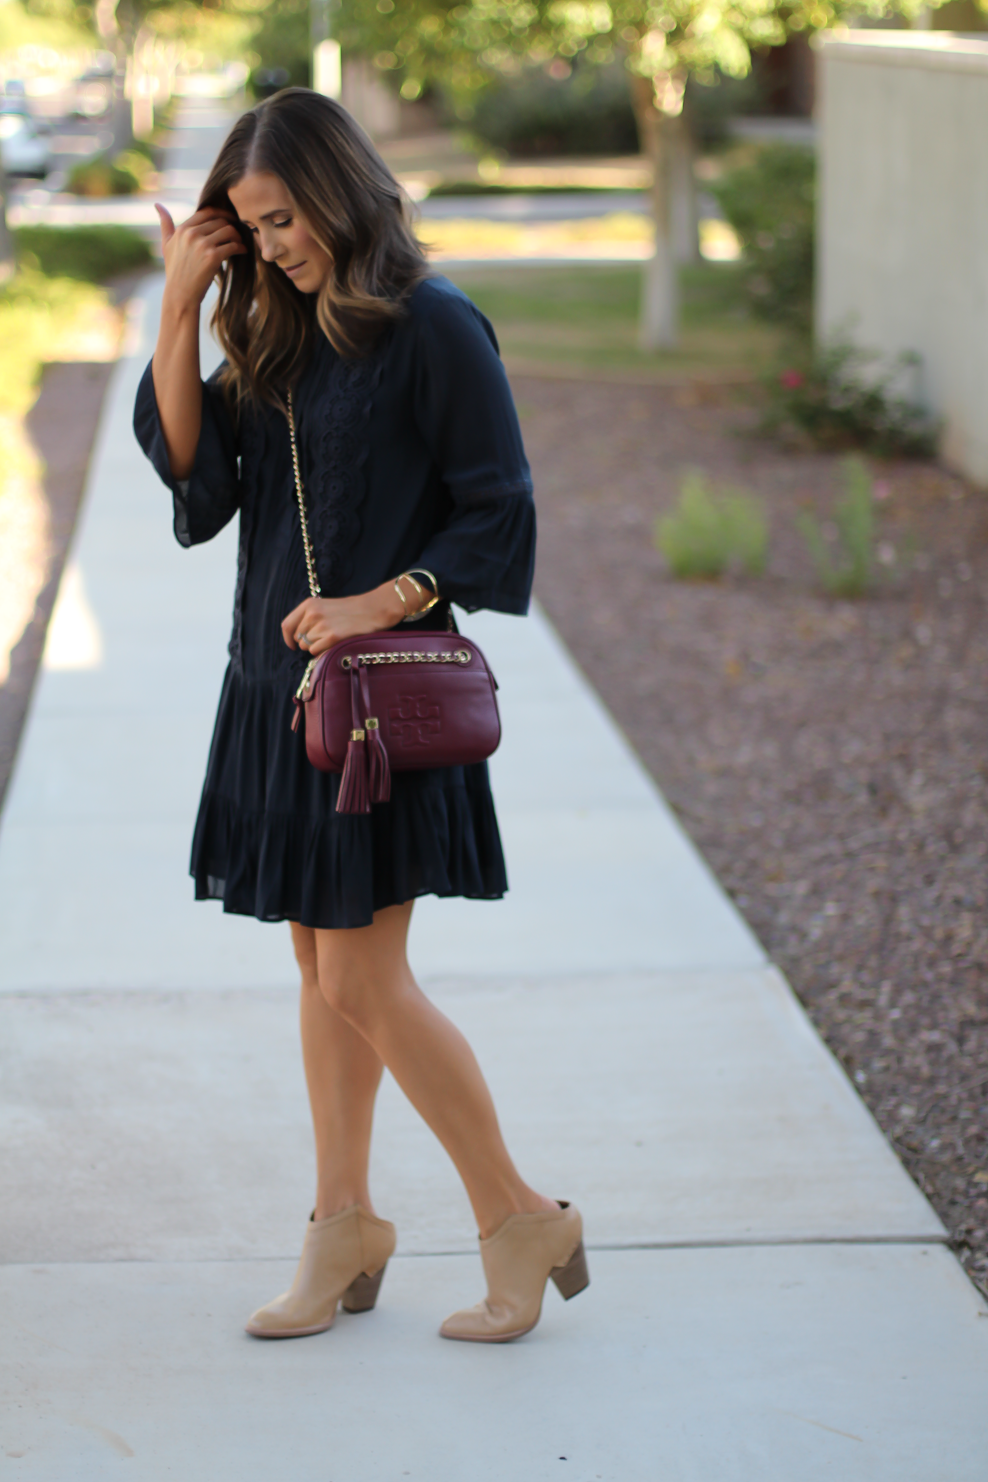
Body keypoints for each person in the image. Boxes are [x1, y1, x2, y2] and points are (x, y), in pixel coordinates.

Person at [134, 87, 587, 1344]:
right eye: (248, 226)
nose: (270, 244)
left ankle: (517, 1214)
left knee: (359, 973)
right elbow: (196, 479)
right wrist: (181, 302)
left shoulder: (434, 326)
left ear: (337, 191)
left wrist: (374, 602)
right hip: (271, 695)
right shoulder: (275, 327)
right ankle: (343, 1225)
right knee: (316, 966)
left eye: (282, 218)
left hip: (376, 709)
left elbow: (496, 513)